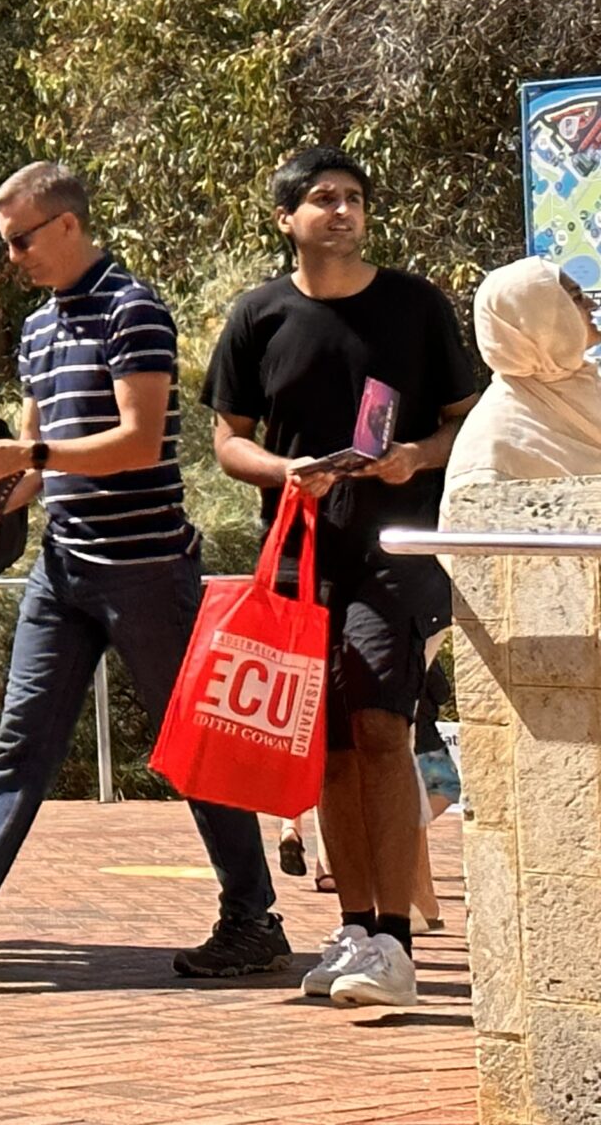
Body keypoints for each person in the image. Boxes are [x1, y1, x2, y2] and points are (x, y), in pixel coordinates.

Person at [0, 162, 287, 980]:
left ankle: (252, 918)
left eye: (21, 239)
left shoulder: (136, 311)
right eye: (5, 242)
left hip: (147, 565)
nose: (11, 256)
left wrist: (32, 454)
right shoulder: (39, 329)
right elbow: (35, 468)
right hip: (65, 565)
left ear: (67, 226)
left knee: (187, 746)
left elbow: (133, 441)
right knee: (20, 742)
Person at [201, 145, 480, 1008]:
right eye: (323, 198)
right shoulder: (258, 317)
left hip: (396, 547)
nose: (342, 210)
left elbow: (467, 424)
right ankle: (356, 929)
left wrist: (415, 458)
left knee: (382, 729)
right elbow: (228, 440)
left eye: (354, 197)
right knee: (324, 748)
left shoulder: (416, 306)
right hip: (297, 559)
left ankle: (396, 943)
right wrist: (283, 473)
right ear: (287, 219)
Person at [448, 256, 601, 486]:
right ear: (539, 319)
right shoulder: (495, 441)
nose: (593, 305)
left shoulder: (586, 384)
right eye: (577, 298)